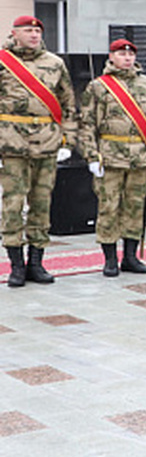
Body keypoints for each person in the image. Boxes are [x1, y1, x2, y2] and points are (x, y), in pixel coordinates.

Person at [79, 39, 146, 276]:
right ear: (111, 56)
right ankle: (109, 258)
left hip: (140, 157)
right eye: (121, 54)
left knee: (135, 208)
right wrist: (91, 156)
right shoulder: (99, 86)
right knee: (109, 207)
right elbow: (86, 124)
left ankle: (130, 256)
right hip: (110, 156)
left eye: (130, 54)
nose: (127, 58)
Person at [1, 15, 76, 287]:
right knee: (12, 204)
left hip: (46, 143)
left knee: (41, 204)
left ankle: (36, 262)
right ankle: (16, 265)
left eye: (37, 30)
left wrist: (67, 140)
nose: (33, 34)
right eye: (27, 30)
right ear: (14, 33)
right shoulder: (3, 62)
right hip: (11, 145)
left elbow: (68, 104)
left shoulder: (55, 64)